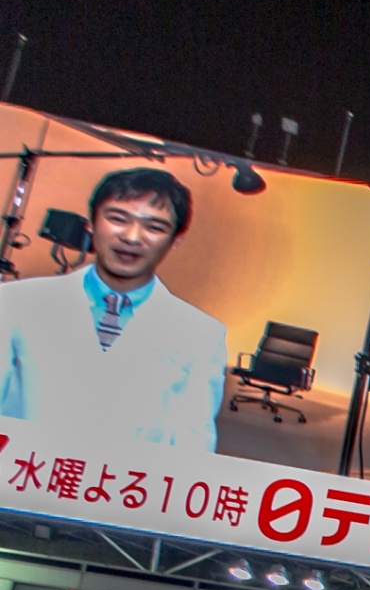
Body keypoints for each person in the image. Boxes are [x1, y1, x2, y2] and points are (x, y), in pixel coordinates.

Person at [0, 168, 228, 451]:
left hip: (125, 490)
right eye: (118, 219)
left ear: (176, 239)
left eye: (154, 227)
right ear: (91, 225)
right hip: (21, 484)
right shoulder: (17, 302)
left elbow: (192, 442)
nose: (132, 237)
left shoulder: (202, 336)